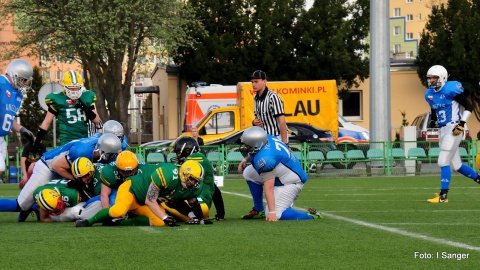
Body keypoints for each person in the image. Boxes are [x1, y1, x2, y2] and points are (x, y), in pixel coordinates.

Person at [0, 133, 122, 220]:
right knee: (20, 205)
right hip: (48, 168)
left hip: (61, 167)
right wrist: (76, 180)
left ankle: (35, 207)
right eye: (110, 154)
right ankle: (32, 206)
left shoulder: (100, 139)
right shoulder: (82, 152)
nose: (111, 157)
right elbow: (57, 166)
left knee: (81, 189)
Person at [75, 160, 207, 227]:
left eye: (196, 180)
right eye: (192, 179)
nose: (194, 183)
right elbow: (151, 200)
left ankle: (121, 223)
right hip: (132, 190)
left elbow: (185, 202)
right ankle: (88, 221)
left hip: (145, 202)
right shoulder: (168, 175)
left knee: (159, 222)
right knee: (117, 211)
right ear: (183, 174)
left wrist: (200, 219)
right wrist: (166, 217)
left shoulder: (189, 187)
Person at [240, 126, 322, 221]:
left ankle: (310, 216)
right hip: (282, 174)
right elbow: (255, 150)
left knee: (276, 214)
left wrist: (272, 213)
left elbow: (269, 187)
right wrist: (245, 159)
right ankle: (258, 209)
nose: (245, 147)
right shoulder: (266, 138)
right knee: (248, 172)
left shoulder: (266, 159)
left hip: (290, 182)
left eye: (247, 145)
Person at [424, 65, 480, 203]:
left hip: (454, 127)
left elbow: (469, 106)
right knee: (457, 165)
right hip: (443, 129)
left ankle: (443, 196)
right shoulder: (430, 94)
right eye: (430, 77)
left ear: (442, 77)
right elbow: (434, 110)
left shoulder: (451, 89)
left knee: (443, 160)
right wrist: (433, 120)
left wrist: (461, 124)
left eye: (434, 77)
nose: (431, 80)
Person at [237, 70, 289, 219]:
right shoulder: (256, 99)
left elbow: (282, 122)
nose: (253, 84)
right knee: (248, 173)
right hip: (263, 144)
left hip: (275, 142)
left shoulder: (273, 97)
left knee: (277, 174)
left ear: (265, 81)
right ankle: (258, 208)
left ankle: (283, 202)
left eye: (256, 81)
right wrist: (254, 123)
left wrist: (284, 143)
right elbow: (258, 125)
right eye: (252, 82)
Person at [29, 70, 102, 157]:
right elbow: (46, 122)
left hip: (84, 141)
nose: (74, 90)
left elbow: (97, 120)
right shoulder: (58, 99)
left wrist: (83, 106)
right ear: (65, 87)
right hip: (67, 141)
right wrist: (36, 144)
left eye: (77, 87)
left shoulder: (87, 96)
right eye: (71, 88)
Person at [163, 137, 225, 221]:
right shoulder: (194, 164)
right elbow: (216, 191)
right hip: (197, 202)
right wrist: (220, 214)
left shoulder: (197, 158)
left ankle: (163, 212)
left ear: (188, 151)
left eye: (178, 153)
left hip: (200, 205)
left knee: (162, 201)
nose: (177, 155)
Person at [0, 59, 35, 181]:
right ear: (15, 75)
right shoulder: (1, 83)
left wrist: (22, 129)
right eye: (23, 79)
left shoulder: (18, 94)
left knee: (1, 168)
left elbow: (7, 119)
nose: (25, 83)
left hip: (1, 138)